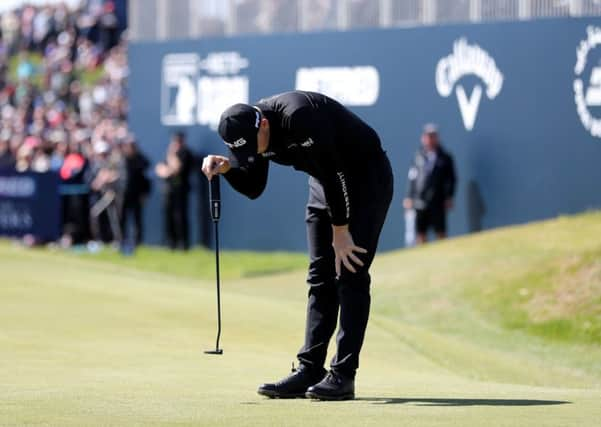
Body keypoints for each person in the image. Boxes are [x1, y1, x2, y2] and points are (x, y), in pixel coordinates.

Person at [202, 91, 394, 401]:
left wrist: (341, 232)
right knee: (320, 276)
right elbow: (254, 187)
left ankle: (343, 375)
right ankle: (310, 369)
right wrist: (227, 170)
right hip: (324, 181)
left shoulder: (298, 117)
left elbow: (336, 173)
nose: (254, 152)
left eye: (255, 145)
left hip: (364, 176)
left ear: (264, 125)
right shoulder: (248, 132)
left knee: (350, 271)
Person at [403, 124, 456, 244]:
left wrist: (449, 197)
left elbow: (452, 180)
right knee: (421, 233)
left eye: (433, 136)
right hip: (419, 201)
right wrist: (409, 196)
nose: (430, 139)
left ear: (437, 138)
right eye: (428, 136)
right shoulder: (418, 156)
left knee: (440, 232)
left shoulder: (446, 157)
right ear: (423, 138)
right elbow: (412, 178)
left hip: (438, 201)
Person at [155, 131, 193, 250]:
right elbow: (159, 169)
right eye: (174, 141)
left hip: (181, 191)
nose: (176, 144)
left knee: (180, 217)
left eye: (178, 141)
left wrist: (171, 155)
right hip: (169, 190)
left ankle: (183, 244)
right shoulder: (169, 154)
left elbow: (177, 168)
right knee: (168, 217)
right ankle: (171, 243)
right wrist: (167, 171)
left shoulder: (186, 154)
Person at [120, 136, 150, 245]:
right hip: (124, 194)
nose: (130, 148)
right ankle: (122, 240)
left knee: (137, 219)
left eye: (132, 146)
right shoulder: (122, 159)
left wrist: (145, 193)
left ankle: (138, 241)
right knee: (122, 218)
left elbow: (146, 177)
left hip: (137, 194)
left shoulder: (141, 160)